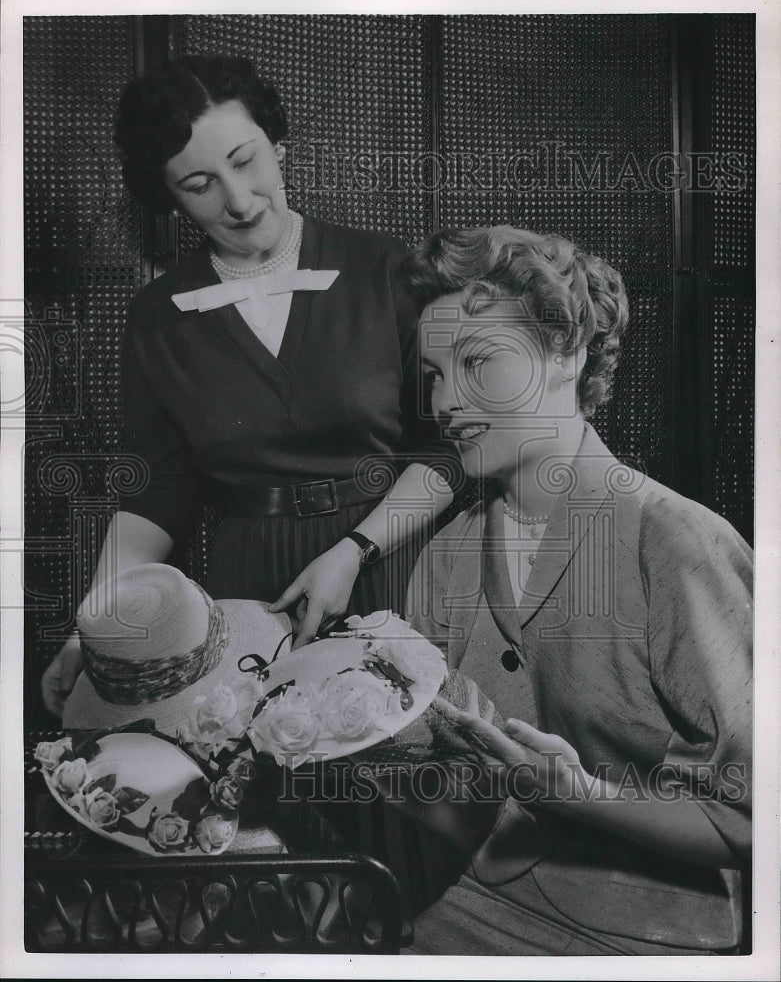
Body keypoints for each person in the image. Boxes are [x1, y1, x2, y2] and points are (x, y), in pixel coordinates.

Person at [40, 54, 455, 719]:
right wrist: (93, 632)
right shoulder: (158, 315)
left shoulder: (381, 269)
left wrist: (355, 550)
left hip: (385, 560)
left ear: (279, 145)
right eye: (199, 183)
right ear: (169, 198)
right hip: (249, 596)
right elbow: (155, 495)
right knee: (269, 777)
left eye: (246, 159)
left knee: (388, 771)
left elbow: (449, 446)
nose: (236, 200)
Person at [394, 226, 752, 955]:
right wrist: (352, 747)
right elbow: (452, 804)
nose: (445, 402)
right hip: (477, 903)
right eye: (434, 373)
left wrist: (578, 796)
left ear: (567, 351)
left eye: (477, 362)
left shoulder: (677, 543)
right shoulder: (445, 554)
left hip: (646, 938)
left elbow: (751, 822)